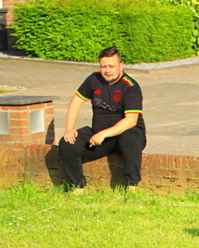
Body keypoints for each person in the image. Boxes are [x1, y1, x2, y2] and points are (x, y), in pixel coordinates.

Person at [57, 46, 146, 192]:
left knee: (130, 136)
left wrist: (104, 134)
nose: (107, 70)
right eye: (104, 66)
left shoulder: (131, 86)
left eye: (111, 66)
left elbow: (131, 121)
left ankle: (132, 186)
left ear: (120, 66)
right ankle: (78, 187)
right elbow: (76, 101)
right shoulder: (94, 79)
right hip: (99, 137)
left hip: (125, 136)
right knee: (67, 143)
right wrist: (69, 128)